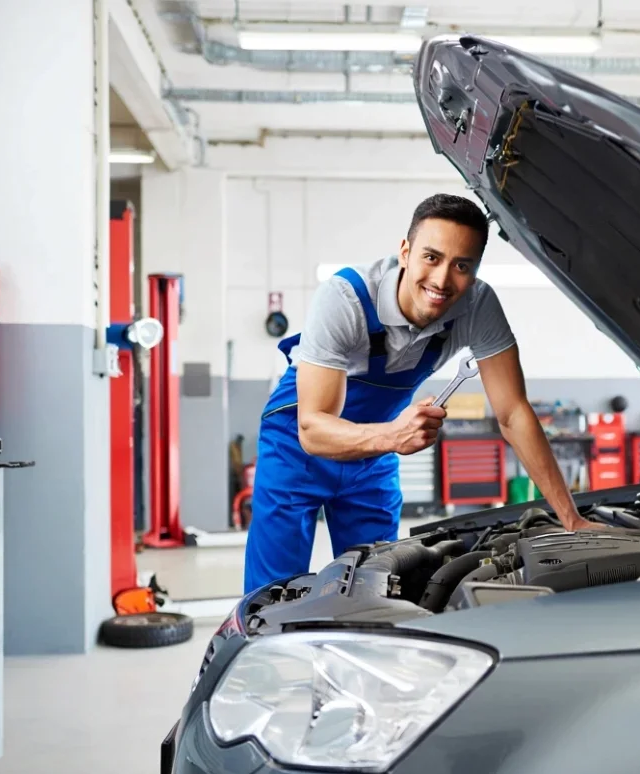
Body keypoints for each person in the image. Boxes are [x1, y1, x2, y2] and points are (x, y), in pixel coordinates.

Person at [243, 193, 598, 593]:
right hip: (298, 447)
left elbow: (514, 413)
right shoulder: (345, 299)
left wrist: (571, 519)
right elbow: (312, 429)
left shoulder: (478, 307)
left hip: (373, 459)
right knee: (273, 593)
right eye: (432, 257)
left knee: (376, 585)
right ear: (406, 252)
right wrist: (394, 436)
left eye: (462, 266)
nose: (443, 280)